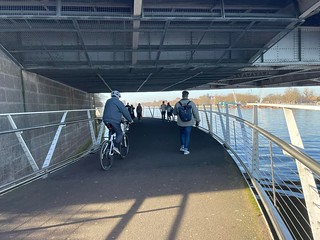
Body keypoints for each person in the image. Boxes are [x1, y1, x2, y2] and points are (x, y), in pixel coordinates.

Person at [173, 90, 200, 155]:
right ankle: (186, 149)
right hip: (189, 122)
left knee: (182, 134)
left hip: (180, 122)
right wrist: (198, 120)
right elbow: (195, 112)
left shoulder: (177, 103)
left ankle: (182, 146)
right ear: (187, 95)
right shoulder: (191, 103)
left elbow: (175, 113)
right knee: (187, 135)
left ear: (182, 95)